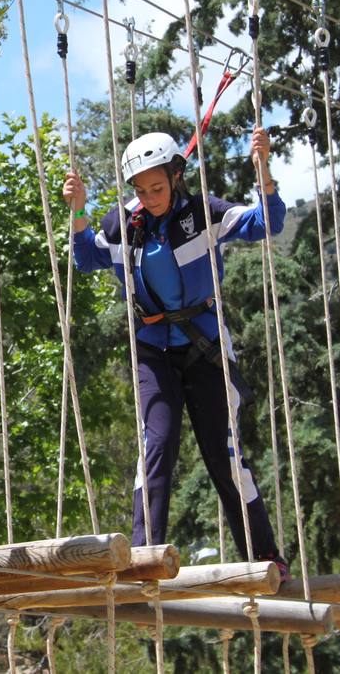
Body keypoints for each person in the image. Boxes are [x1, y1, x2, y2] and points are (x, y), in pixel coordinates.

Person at [62, 128, 288, 575]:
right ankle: (142, 555)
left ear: (176, 176)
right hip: (154, 352)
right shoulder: (121, 223)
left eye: (158, 188)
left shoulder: (205, 212)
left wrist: (264, 174)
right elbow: (86, 258)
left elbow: (268, 222)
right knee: (157, 446)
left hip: (206, 351)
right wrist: (80, 212)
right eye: (141, 190)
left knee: (224, 455)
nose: (150, 197)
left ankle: (264, 554)